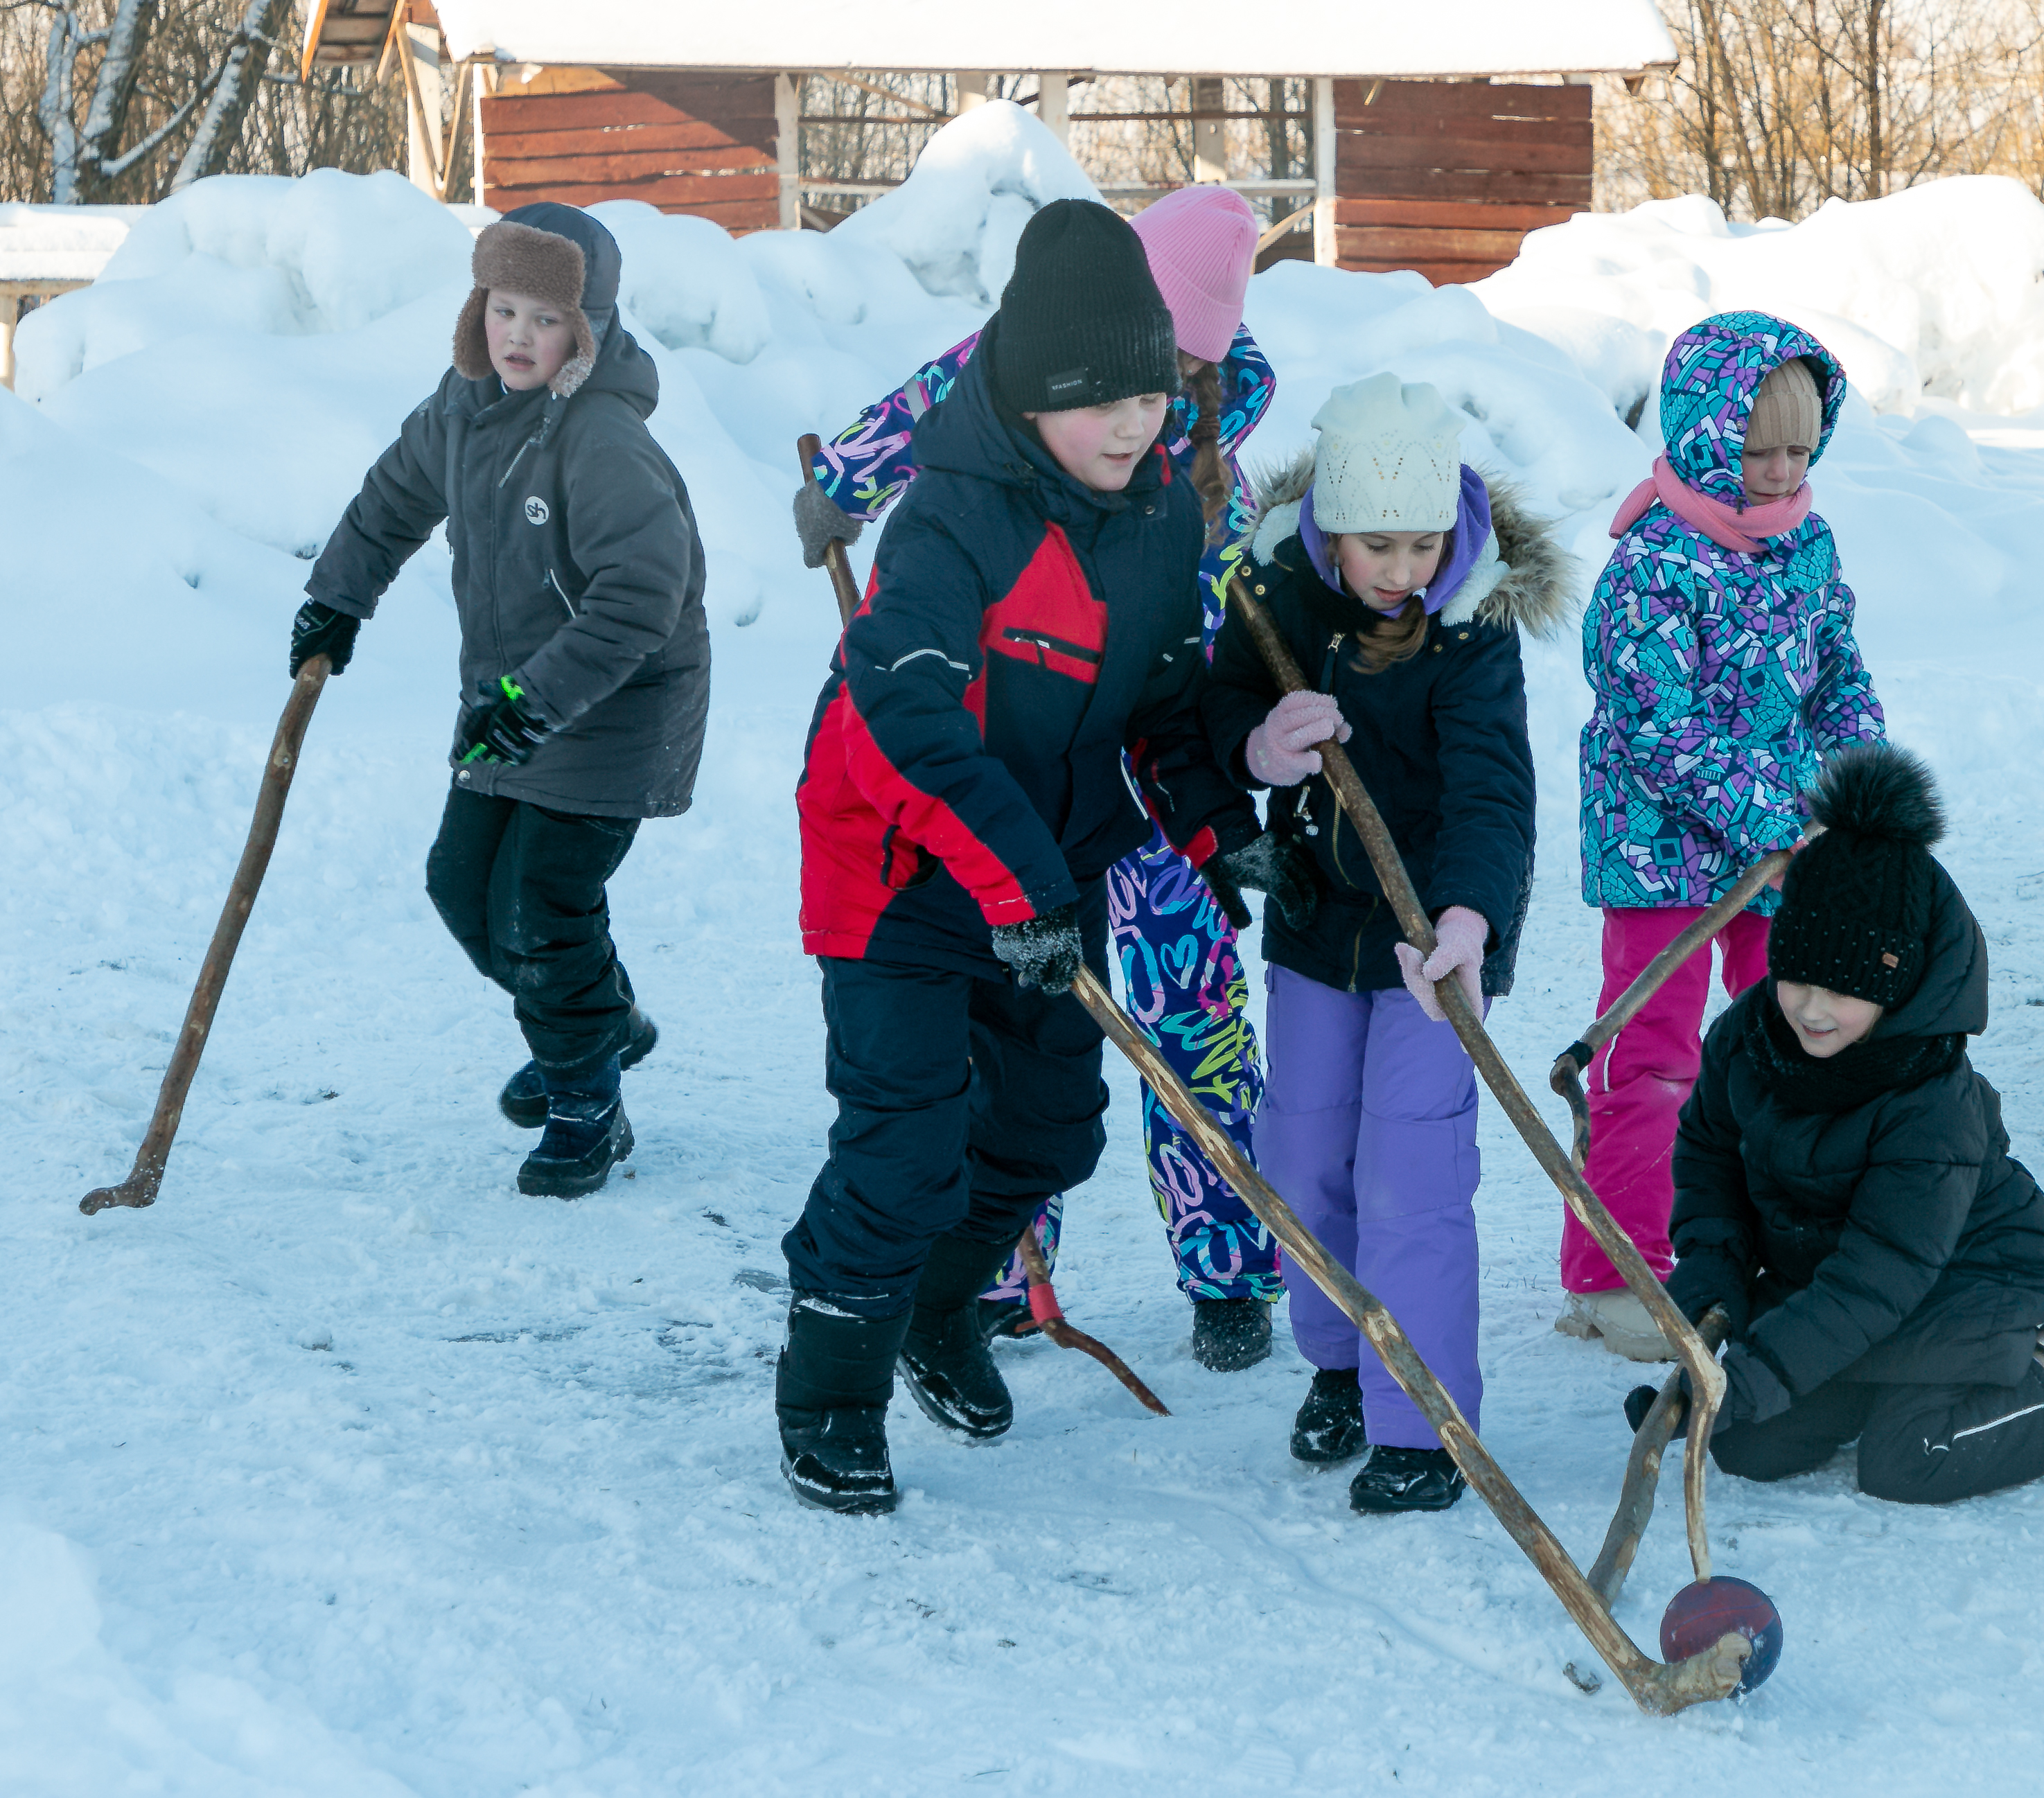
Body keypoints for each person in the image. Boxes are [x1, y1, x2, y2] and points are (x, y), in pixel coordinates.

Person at [774, 201, 1284, 1516]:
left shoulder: (1161, 512)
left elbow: (1163, 705)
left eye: (1149, 393)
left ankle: (944, 1308)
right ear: (1035, 392)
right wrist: (1017, 887)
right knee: (906, 1148)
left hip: (1044, 869)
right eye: (1103, 399)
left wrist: (1211, 820)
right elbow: (908, 728)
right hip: (897, 872)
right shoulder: (952, 522)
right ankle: (831, 1391)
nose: (1136, 422)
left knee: (1049, 1129)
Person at [1204, 373, 1571, 1514]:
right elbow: (1209, 717)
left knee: (1410, 1174)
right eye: (1377, 547)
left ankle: (1418, 1416)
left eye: (1420, 544)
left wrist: (1468, 917)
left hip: (1432, 941)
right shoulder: (1275, 596)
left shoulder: (1470, 618)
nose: (1403, 571)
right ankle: (1338, 1366)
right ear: (1328, 529)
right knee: (1306, 1153)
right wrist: (1260, 750)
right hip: (1320, 922)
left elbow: (1490, 791)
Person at [291, 203, 710, 1199]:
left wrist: (538, 698)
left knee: (539, 902)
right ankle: (596, 1022)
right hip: (510, 702)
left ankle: (586, 1100)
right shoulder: (463, 407)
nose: (517, 335)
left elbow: (642, 595)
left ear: (587, 333)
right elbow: (394, 496)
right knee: (459, 882)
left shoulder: (602, 438)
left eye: (546, 318)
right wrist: (335, 599)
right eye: (503, 308)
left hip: (614, 706)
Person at [1639, 743, 2044, 1502]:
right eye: (1797, 978)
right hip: (1837, 1284)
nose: (1812, 1010)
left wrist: (1752, 1377)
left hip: (1959, 1281)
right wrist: (1711, 1290)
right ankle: (1871, 1381)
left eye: (1845, 989)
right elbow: (1709, 1159)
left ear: (1899, 982)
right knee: (1748, 1442)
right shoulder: (1747, 1040)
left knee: (1910, 1457)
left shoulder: (1929, 1101)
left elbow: (1880, 1274)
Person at [1568, 312, 1886, 1361]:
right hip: (1663, 849)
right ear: (1707, 436)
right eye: (1760, 451)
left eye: (1800, 448)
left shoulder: (1804, 542)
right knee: (1652, 1055)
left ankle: (1747, 1244)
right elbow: (1659, 726)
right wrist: (1775, 815)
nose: (1782, 469)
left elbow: (1837, 675)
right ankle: (1613, 1266)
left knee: (1777, 1045)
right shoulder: (1654, 563)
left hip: (1780, 849)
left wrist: (1852, 784)